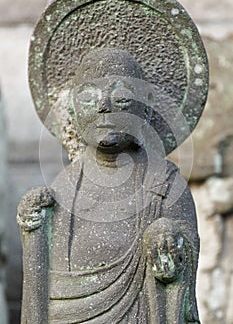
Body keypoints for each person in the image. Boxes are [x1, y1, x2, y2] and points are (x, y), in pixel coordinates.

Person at [18, 49, 200, 323]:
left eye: (121, 98)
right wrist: (33, 227)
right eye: (89, 97)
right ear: (72, 109)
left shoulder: (165, 183)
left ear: (146, 105)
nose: (104, 106)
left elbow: (185, 252)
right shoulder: (64, 187)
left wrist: (168, 242)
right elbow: (42, 286)